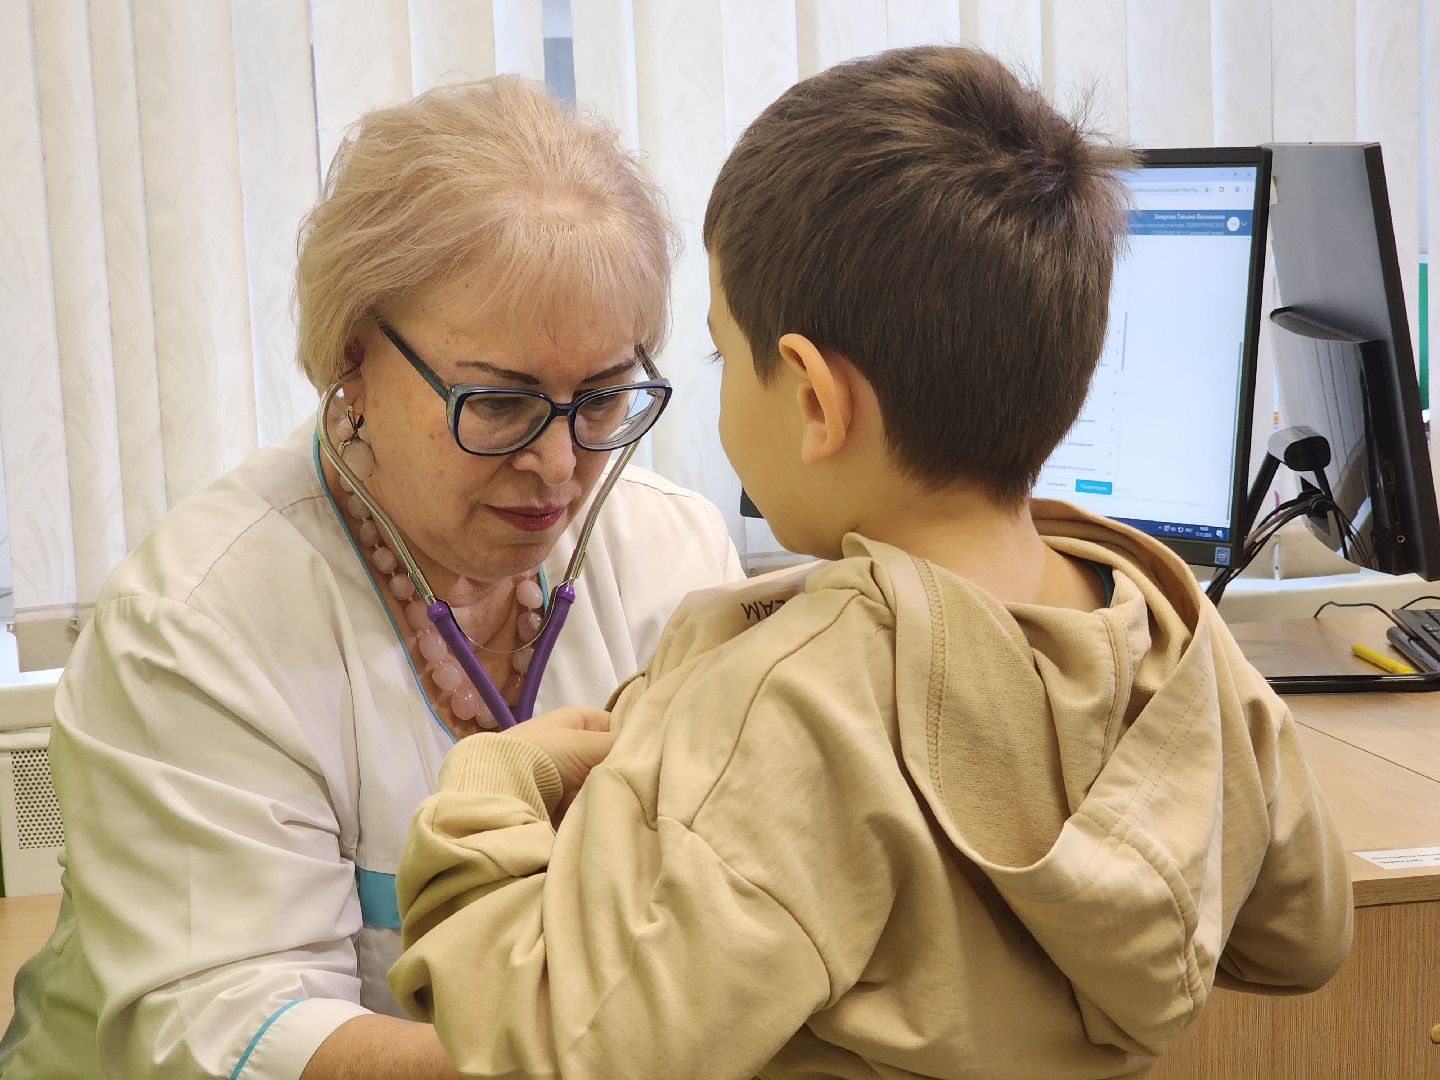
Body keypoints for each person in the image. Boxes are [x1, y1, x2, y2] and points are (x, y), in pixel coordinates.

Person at [387, 46, 1354, 1079]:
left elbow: (556, 1049)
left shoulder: (793, 703)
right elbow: (1304, 935)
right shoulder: (1174, 639)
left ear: (812, 397)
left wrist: (486, 791)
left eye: (720, 354)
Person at [0, 77, 741, 1080]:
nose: (561, 466)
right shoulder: (195, 624)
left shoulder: (677, 561)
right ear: (352, 357)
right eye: (499, 402)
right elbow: (235, 1031)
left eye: (603, 397)